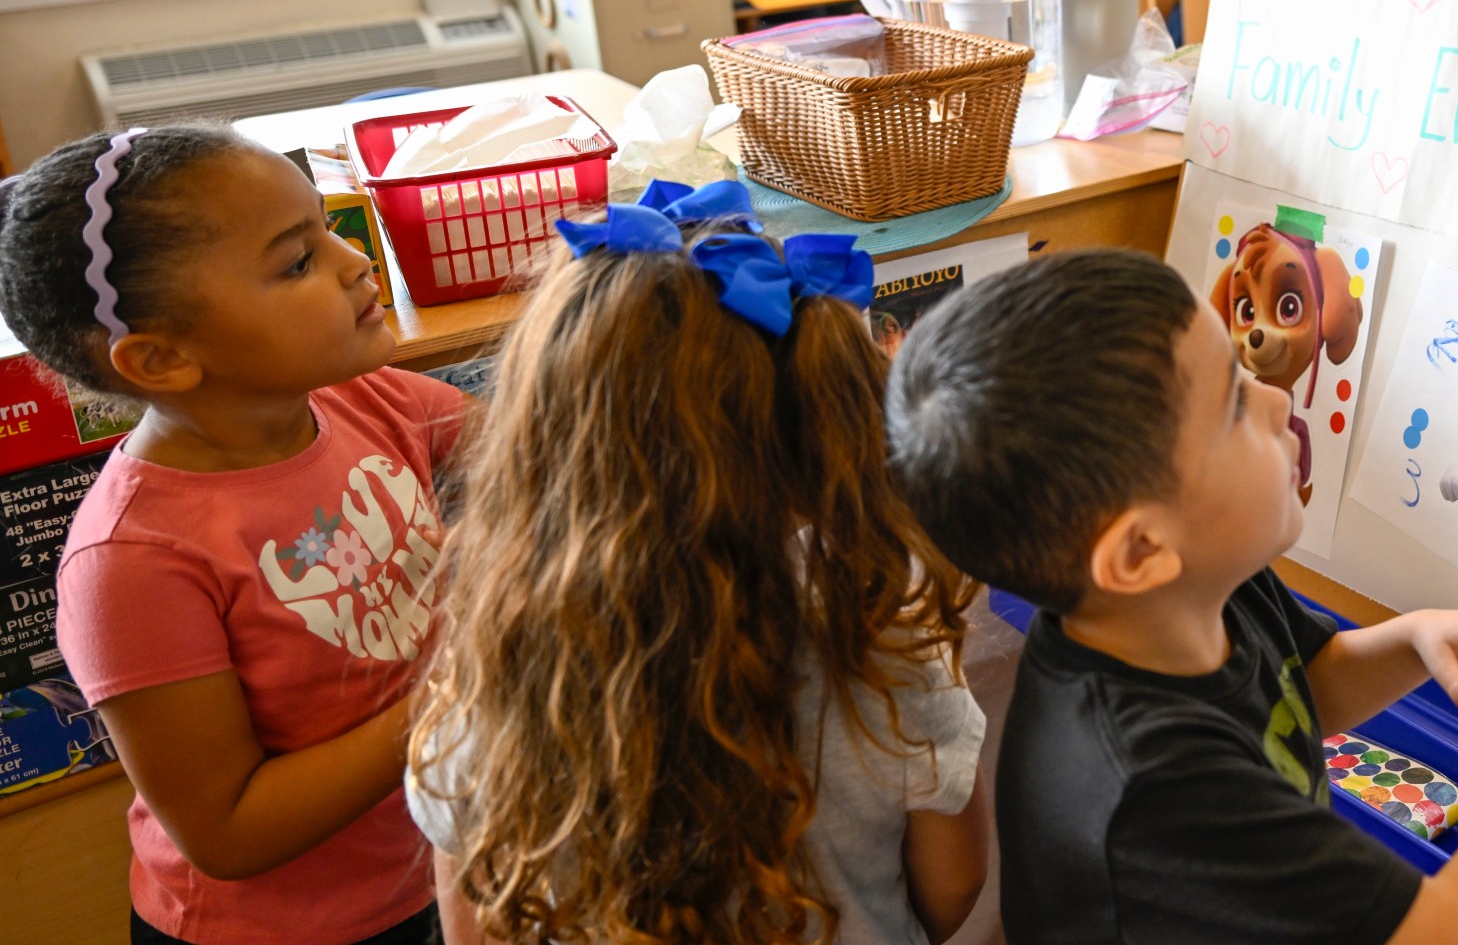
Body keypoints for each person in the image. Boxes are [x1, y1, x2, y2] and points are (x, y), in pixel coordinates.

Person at [885, 249, 1458, 945]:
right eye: (1234, 405)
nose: (1276, 401)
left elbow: (1297, 695)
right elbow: (1449, 933)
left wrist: (1410, 637)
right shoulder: (1153, 789)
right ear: (1140, 551)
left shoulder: (1197, 593)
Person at [406, 180, 989, 945]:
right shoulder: (884, 637)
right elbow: (951, 892)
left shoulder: (493, 673)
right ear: (821, 419)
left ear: (544, 432)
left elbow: (473, 929)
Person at [0, 125, 462, 945]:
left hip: (425, 865)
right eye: (296, 261)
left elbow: (550, 444)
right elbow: (229, 833)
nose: (355, 262)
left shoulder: (366, 401)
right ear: (163, 359)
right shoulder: (133, 562)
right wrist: (457, 693)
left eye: (326, 227)